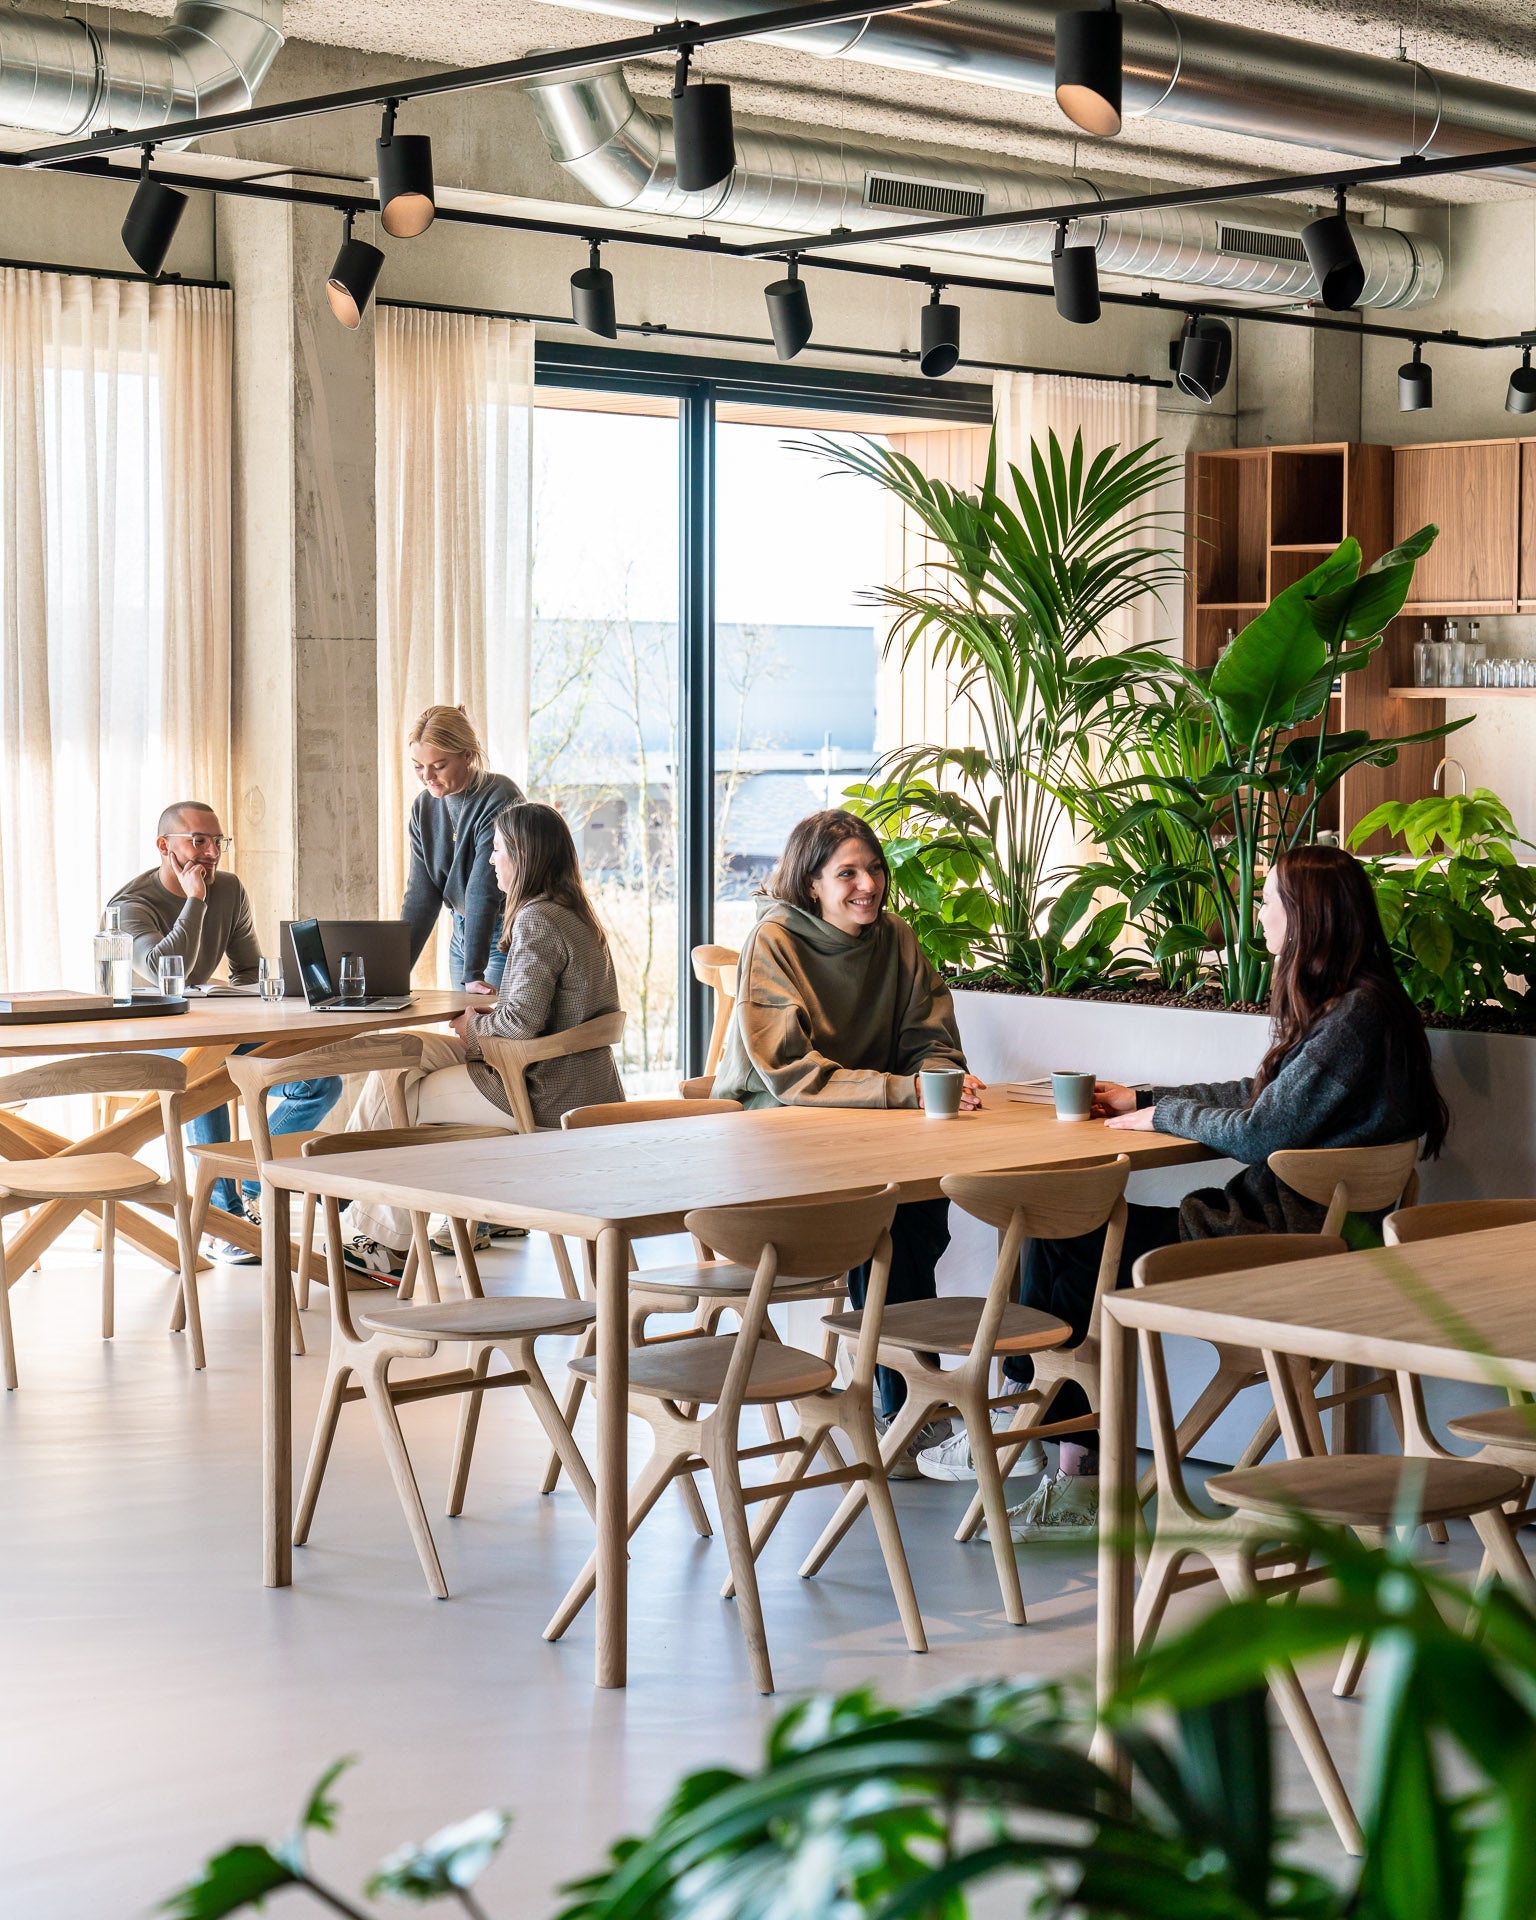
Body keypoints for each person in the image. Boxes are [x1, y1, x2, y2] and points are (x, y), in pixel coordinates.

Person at [973, 843, 1449, 1542]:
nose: (1259, 915)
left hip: (1275, 1246)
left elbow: (1261, 1131)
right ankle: (1046, 1430)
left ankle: (1043, 1431)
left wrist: (1159, 1117)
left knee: (1062, 1233)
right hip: (1322, 1241)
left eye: (1268, 901)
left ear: (1306, 916)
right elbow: (1265, 1097)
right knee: (1067, 1235)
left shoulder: (1355, 1018)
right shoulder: (1367, 1007)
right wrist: (1144, 1096)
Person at [710, 808, 983, 1475]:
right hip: (772, 1137)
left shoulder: (897, 938)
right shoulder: (774, 940)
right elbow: (790, 1074)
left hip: (873, 1130)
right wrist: (902, 1091)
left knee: (918, 1217)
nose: (868, 885)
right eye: (847, 873)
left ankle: (913, 1407)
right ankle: (910, 1409)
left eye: (874, 869)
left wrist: (940, 1080)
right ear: (811, 884)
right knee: (881, 1223)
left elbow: (934, 1040)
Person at [342, 801, 624, 1280]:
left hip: (538, 1092)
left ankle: (369, 1226)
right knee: (409, 1051)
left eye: (497, 851)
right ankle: (360, 1201)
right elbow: (548, 1007)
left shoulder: (538, 919)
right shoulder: (575, 916)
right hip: (579, 1085)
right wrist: (497, 999)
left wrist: (472, 1025)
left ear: (523, 855)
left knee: (397, 1082)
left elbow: (516, 1028)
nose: (491, 861)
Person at [103, 802, 342, 1261]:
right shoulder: (130, 906)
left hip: (213, 1027)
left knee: (320, 1081)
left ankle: (248, 1177)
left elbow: (248, 970)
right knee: (205, 1077)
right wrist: (194, 900)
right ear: (164, 846)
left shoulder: (228, 888)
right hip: (149, 1033)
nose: (212, 852)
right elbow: (161, 972)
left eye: (218, 841)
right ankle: (222, 1221)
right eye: (199, 841)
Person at [400, 705, 525, 996]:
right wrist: (392, 973)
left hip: (500, 933)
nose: (427, 776)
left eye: (439, 765)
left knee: (487, 1032)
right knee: (467, 1035)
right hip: (461, 934)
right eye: (418, 766)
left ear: (468, 755)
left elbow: (483, 889)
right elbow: (422, 895)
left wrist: (473, 972)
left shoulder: (499, 796)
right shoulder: (424, 808)